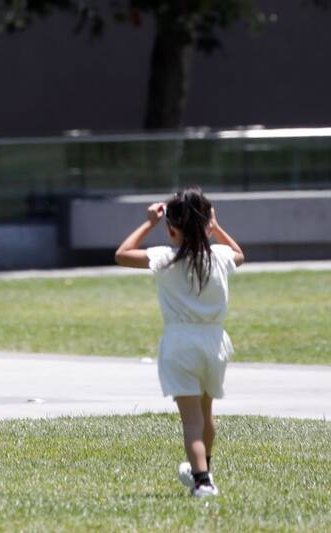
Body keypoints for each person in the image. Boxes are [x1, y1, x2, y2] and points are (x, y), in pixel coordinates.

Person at [114, 187, 244, 498]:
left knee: (191, 422)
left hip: (180, 343)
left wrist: (149, 223)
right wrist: (215, 225)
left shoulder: (165, 258)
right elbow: (239, 253)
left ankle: (202, 481)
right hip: (215, 343)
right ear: (208, 228)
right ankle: (205, 470)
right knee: (206, 414)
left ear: (172, 230)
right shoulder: (221, 257)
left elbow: (122, 254)